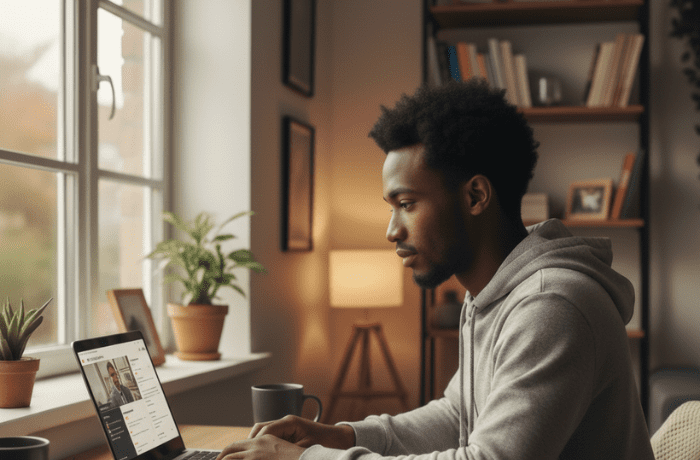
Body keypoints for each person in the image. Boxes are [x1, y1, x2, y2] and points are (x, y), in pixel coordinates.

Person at [217, 80, 654, 460]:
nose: (391, 231)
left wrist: (309, 459)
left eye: (406, 204)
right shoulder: (495, 293)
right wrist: (338, 435)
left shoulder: (551, 306)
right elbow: (458, 414)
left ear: (476, 196)